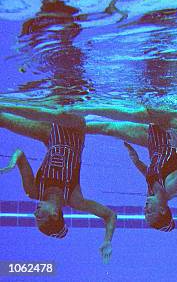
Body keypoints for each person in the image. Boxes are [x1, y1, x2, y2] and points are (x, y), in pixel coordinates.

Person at [0, 102, 116, 263]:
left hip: (49, 136)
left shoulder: (33, 191)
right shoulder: (74, 198)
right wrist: (107, 240)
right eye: (39, 217)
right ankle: (7, 103)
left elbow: (20, 154)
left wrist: (12, 163)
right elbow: (110, 215)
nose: (35, 213)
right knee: (58, 109)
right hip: (75, 129)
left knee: (3, 120)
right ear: (54, 214)